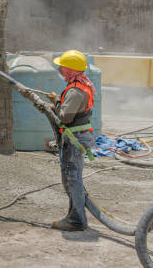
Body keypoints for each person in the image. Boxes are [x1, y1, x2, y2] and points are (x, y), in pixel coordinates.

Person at [46, 50, 96, 231]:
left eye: (62, 67)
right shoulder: (82, 85)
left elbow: (66, 117)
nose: (59, 70)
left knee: (72, 179)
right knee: (72, 178)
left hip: (75, 139)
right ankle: (75, 216)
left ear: (69, 70)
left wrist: (57, 103)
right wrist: (58, 101)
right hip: (78, 137)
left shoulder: (75, 90)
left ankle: (76, 221)